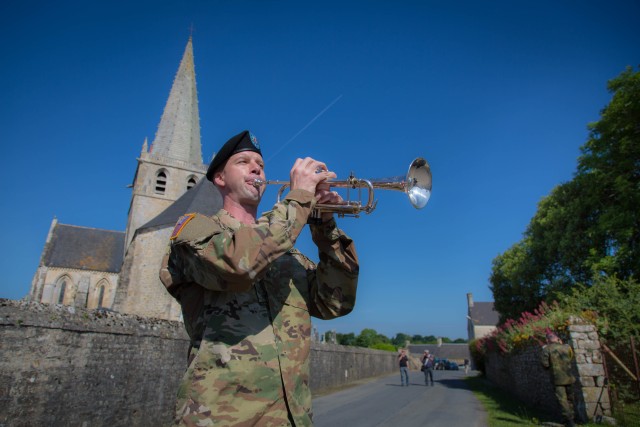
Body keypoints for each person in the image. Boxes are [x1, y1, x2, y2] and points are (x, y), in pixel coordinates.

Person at [159, 130, 360, 426]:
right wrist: (300, 198)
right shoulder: (193, 230)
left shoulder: (287, 253)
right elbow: (239, 266)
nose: (257, 168)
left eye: (261, 164)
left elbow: (335, 303)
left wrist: (324, 226)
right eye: (243, 161)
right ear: (220, 178)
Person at [541, 332, 576, 427]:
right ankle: (571, 417)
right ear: (557, 339)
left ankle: (569, 420)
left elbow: (545, 364)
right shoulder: (567, 347)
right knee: (570, 398)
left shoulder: (546, 349)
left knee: (562, 400)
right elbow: (571, 357)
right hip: (569, 377)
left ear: (547, 340)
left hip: (557, 379)